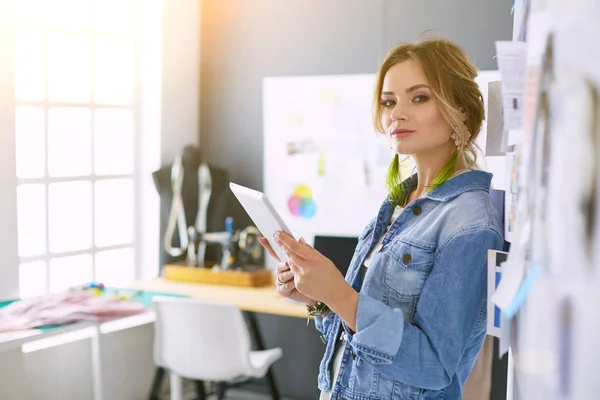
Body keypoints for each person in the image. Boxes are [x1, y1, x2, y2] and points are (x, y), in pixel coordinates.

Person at [258, 38, 504, 400]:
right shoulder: (398, 203)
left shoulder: (470, 223)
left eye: (419, 97)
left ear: (462, 109)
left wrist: (339, 294)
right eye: (389, 101)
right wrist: (317, 297)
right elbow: (360, 346)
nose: (396, 114)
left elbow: (433, 366)